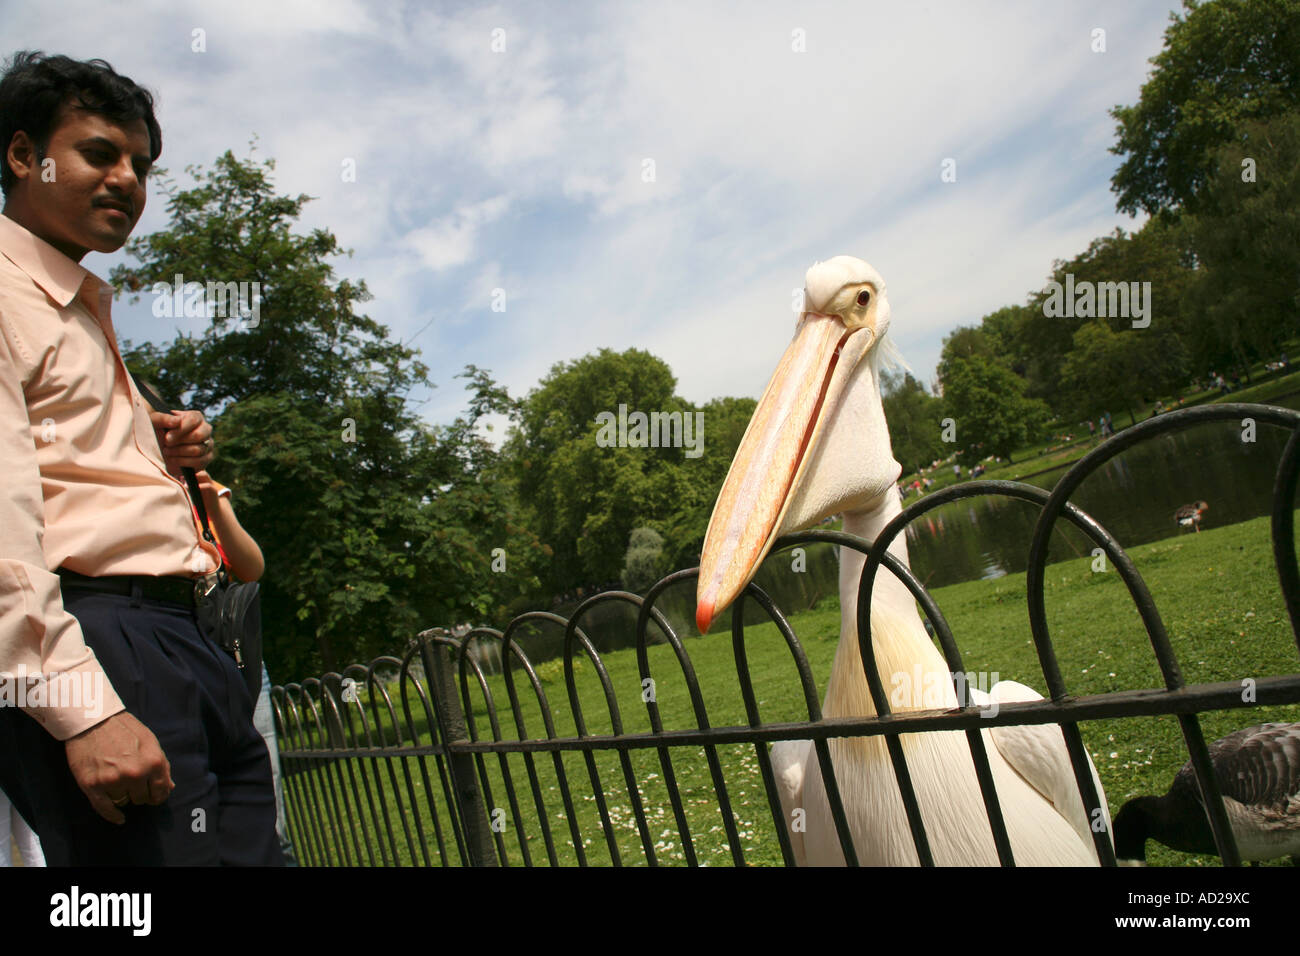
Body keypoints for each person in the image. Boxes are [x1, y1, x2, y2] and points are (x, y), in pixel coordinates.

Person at [0, 51, 280, 865]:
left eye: (142, 165)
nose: (128, 179)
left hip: (183, 639)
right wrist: (83, 706)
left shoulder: (80, 308)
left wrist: (149, 447)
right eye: (99, 153)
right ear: (24, 156)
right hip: (100, 639)